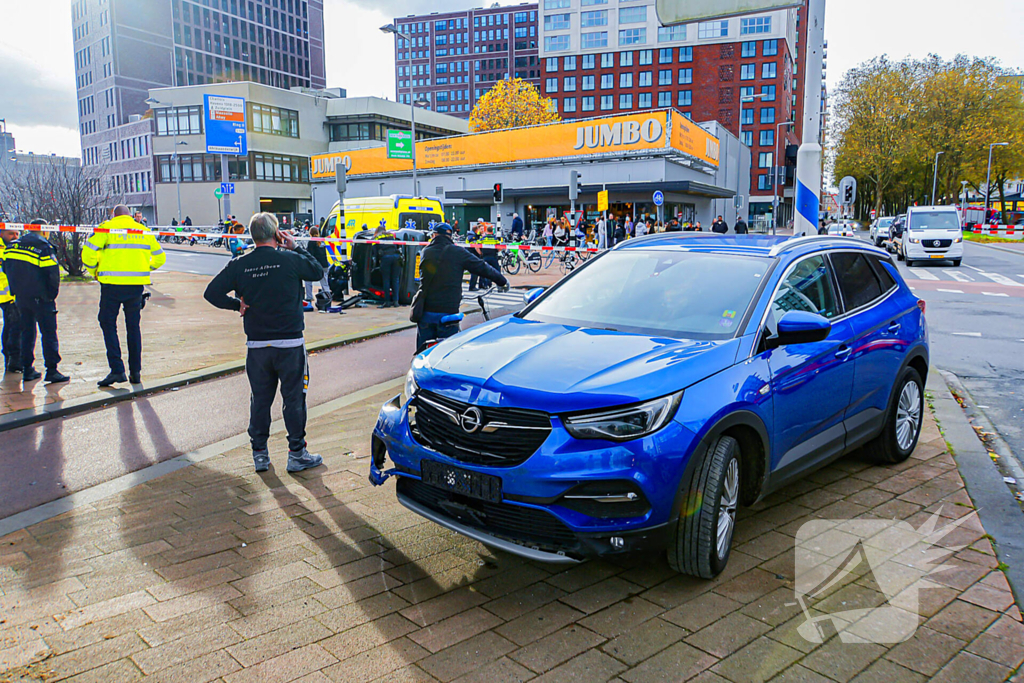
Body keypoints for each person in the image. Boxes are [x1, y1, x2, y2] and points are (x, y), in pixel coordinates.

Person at [204, 212, 324, 474]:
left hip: (257, 344)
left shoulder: (240, 264)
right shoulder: (290, 259)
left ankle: (260, 454)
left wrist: (238, 305)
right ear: (276, 233)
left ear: (251, 235)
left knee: (260, 399)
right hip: (290, 342)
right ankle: (297, 453)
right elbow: (317, 271)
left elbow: (211, 293)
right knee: (293, 399)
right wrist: (296, 246)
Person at [83, 205, 166, 387]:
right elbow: (160, 258)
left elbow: (87, 254)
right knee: (133, 328)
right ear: (130, 216)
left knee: (107, 323)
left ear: (114, 215)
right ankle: (135, 372)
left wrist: (95, 272)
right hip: (135, 287)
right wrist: (144, 269)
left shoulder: (106, 229)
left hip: (111, 286)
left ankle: (117, 370)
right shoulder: (143, 231)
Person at [416, 223, 508, 350]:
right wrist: (501, 281)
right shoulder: (458, 252)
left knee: (422, 352)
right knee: (447, 353)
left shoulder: (426, 251)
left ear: (435, 235)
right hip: (448, 311)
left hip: (426, 311)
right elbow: (481, 267)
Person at [2, 222, 69, 383]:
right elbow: (52, 275)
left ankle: (27, 369)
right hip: (41, 298)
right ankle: (52, 370)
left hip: (20, 298)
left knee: (27, 333)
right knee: (48, 333)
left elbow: (5, 268)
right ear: (44, 231)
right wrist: (50, 296)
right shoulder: (43, 247)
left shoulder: (12, 247)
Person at [0, 227, 22, 373]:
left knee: (11, 326)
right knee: (14, 327)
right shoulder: (4, 250)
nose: (14, 236)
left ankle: (12, 360)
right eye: (11, 233)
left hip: (11, 295)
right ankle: (14, 361)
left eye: (17, 233)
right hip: (7, 295)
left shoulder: (14, 248)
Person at [374, 222, 402, 307]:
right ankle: (396, 302)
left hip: (386, 258)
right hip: (396, 257)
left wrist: (376, 261)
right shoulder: (391, 235)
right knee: (395, 280)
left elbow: (374, 251)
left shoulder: (376, 237)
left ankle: (387, 302)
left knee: (386, 280)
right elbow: (397, 246)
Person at [303, 226, 332, 306]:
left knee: (308, 280)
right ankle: (328, 297)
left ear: (310, 233)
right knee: (324, 282)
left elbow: (310, 255)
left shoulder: (311, 241)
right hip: (324, 265)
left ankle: (309, 296)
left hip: (316, 265)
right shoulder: (321, 241)